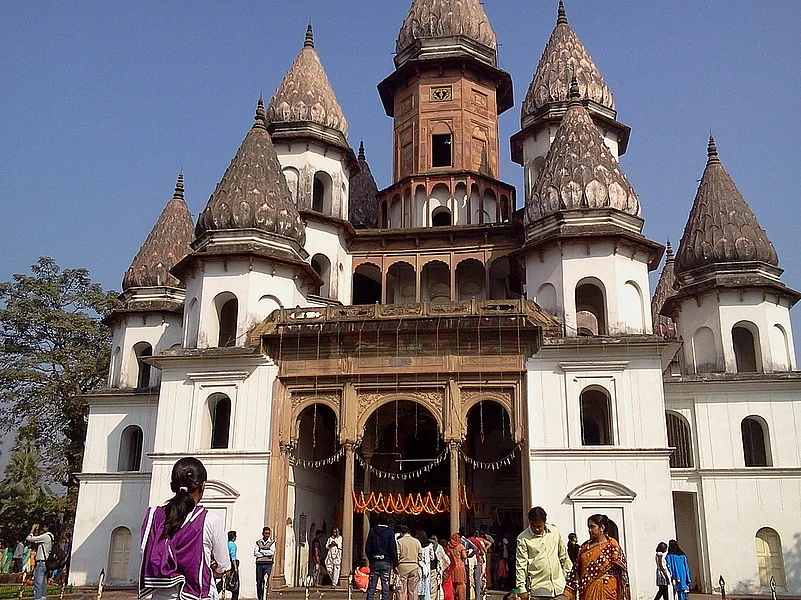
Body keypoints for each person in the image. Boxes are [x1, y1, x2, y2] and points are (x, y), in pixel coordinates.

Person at [139, 457, 231, 600]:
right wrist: (213, 568)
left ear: (173, 485)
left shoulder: (153, 516)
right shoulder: (209, 520)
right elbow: (224, 567)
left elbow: (147, 554)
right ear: (203, 485)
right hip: (197, 595)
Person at [562, 514, 629, 600]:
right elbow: (576, 570)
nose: (589, 530)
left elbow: (622, 573)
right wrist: (568, 592)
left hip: (608, 591)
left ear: (602, 528)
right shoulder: (585, 547)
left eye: (592, 527)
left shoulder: (612, 545)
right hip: (588, 591)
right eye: (588, 527)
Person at [515, 507, 571, 600]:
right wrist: (522, 589)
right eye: (533, 526)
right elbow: (521, 565)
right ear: (529, 522)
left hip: (559, 587)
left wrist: (571, 575)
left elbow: (563, 555)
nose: (536, 529)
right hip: (538, 590)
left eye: (539, 526)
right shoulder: (523, 538)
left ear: (544, 522)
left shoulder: (554, 532)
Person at [365, 513, 398, 600]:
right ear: (387, 521)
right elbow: (392, 549)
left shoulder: (372, 531)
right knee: (385, 586)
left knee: (372, 586)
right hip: (385, 561)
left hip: (374, 561)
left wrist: (371, 558)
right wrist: (395, 563)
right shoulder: (389, 533)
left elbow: (367, 547)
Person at [26, 522, 53, 600]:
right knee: (43, 584)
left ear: (46, 527)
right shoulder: (51, 537)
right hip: (46, 563)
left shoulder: (45, 536)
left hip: (41, 562)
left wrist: (32, 529)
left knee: (38, 583)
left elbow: (29, 538)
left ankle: (38, 598)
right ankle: (43, 598)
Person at [397, 525, 422, 600]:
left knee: (401, 590)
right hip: (414, 566)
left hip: (403, 566)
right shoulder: (416, 541)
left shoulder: (399, 541)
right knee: (413, 590)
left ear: (401, 533)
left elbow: (397, 555)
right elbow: (420, 555)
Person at [254, 526, 276, 600]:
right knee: (259, 581)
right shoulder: (258, 542)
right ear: (263, 533)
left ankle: (265, 596)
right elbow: (256, 553)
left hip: (268, 564)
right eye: (266, 533)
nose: (267, 535)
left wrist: (262, 551)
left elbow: (271, 552)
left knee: (266, 581)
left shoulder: (272, 542)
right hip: (259, 564)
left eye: (268, 534)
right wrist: (266, 552)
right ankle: (260, 597)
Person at [444, 533, 467, 600]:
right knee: (460, 585)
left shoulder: (449, 546)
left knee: (453, 584)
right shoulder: (460, 546)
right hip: (459, 567)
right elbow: (464, 556)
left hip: (452, 566)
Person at [429, 535, 450, 600]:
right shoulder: (439, 547)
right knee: (435, 589)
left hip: (425, 570)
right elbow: (447, 561)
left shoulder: (424, 546)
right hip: (435, 570)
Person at [417, 531, 434, 600]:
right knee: (426, 585)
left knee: (419, 584)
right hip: (427, 567)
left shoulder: (417, 544)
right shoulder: (429, 546)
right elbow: (432, 557)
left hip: (419, 566)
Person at [226, 531, 239, 600]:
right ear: (234, 537)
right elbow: (233, 556)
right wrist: (235, 567)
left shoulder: (226, 544)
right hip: (232, 565)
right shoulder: (233, 545)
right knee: (236, 584)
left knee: (225, 580)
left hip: (226, 564)